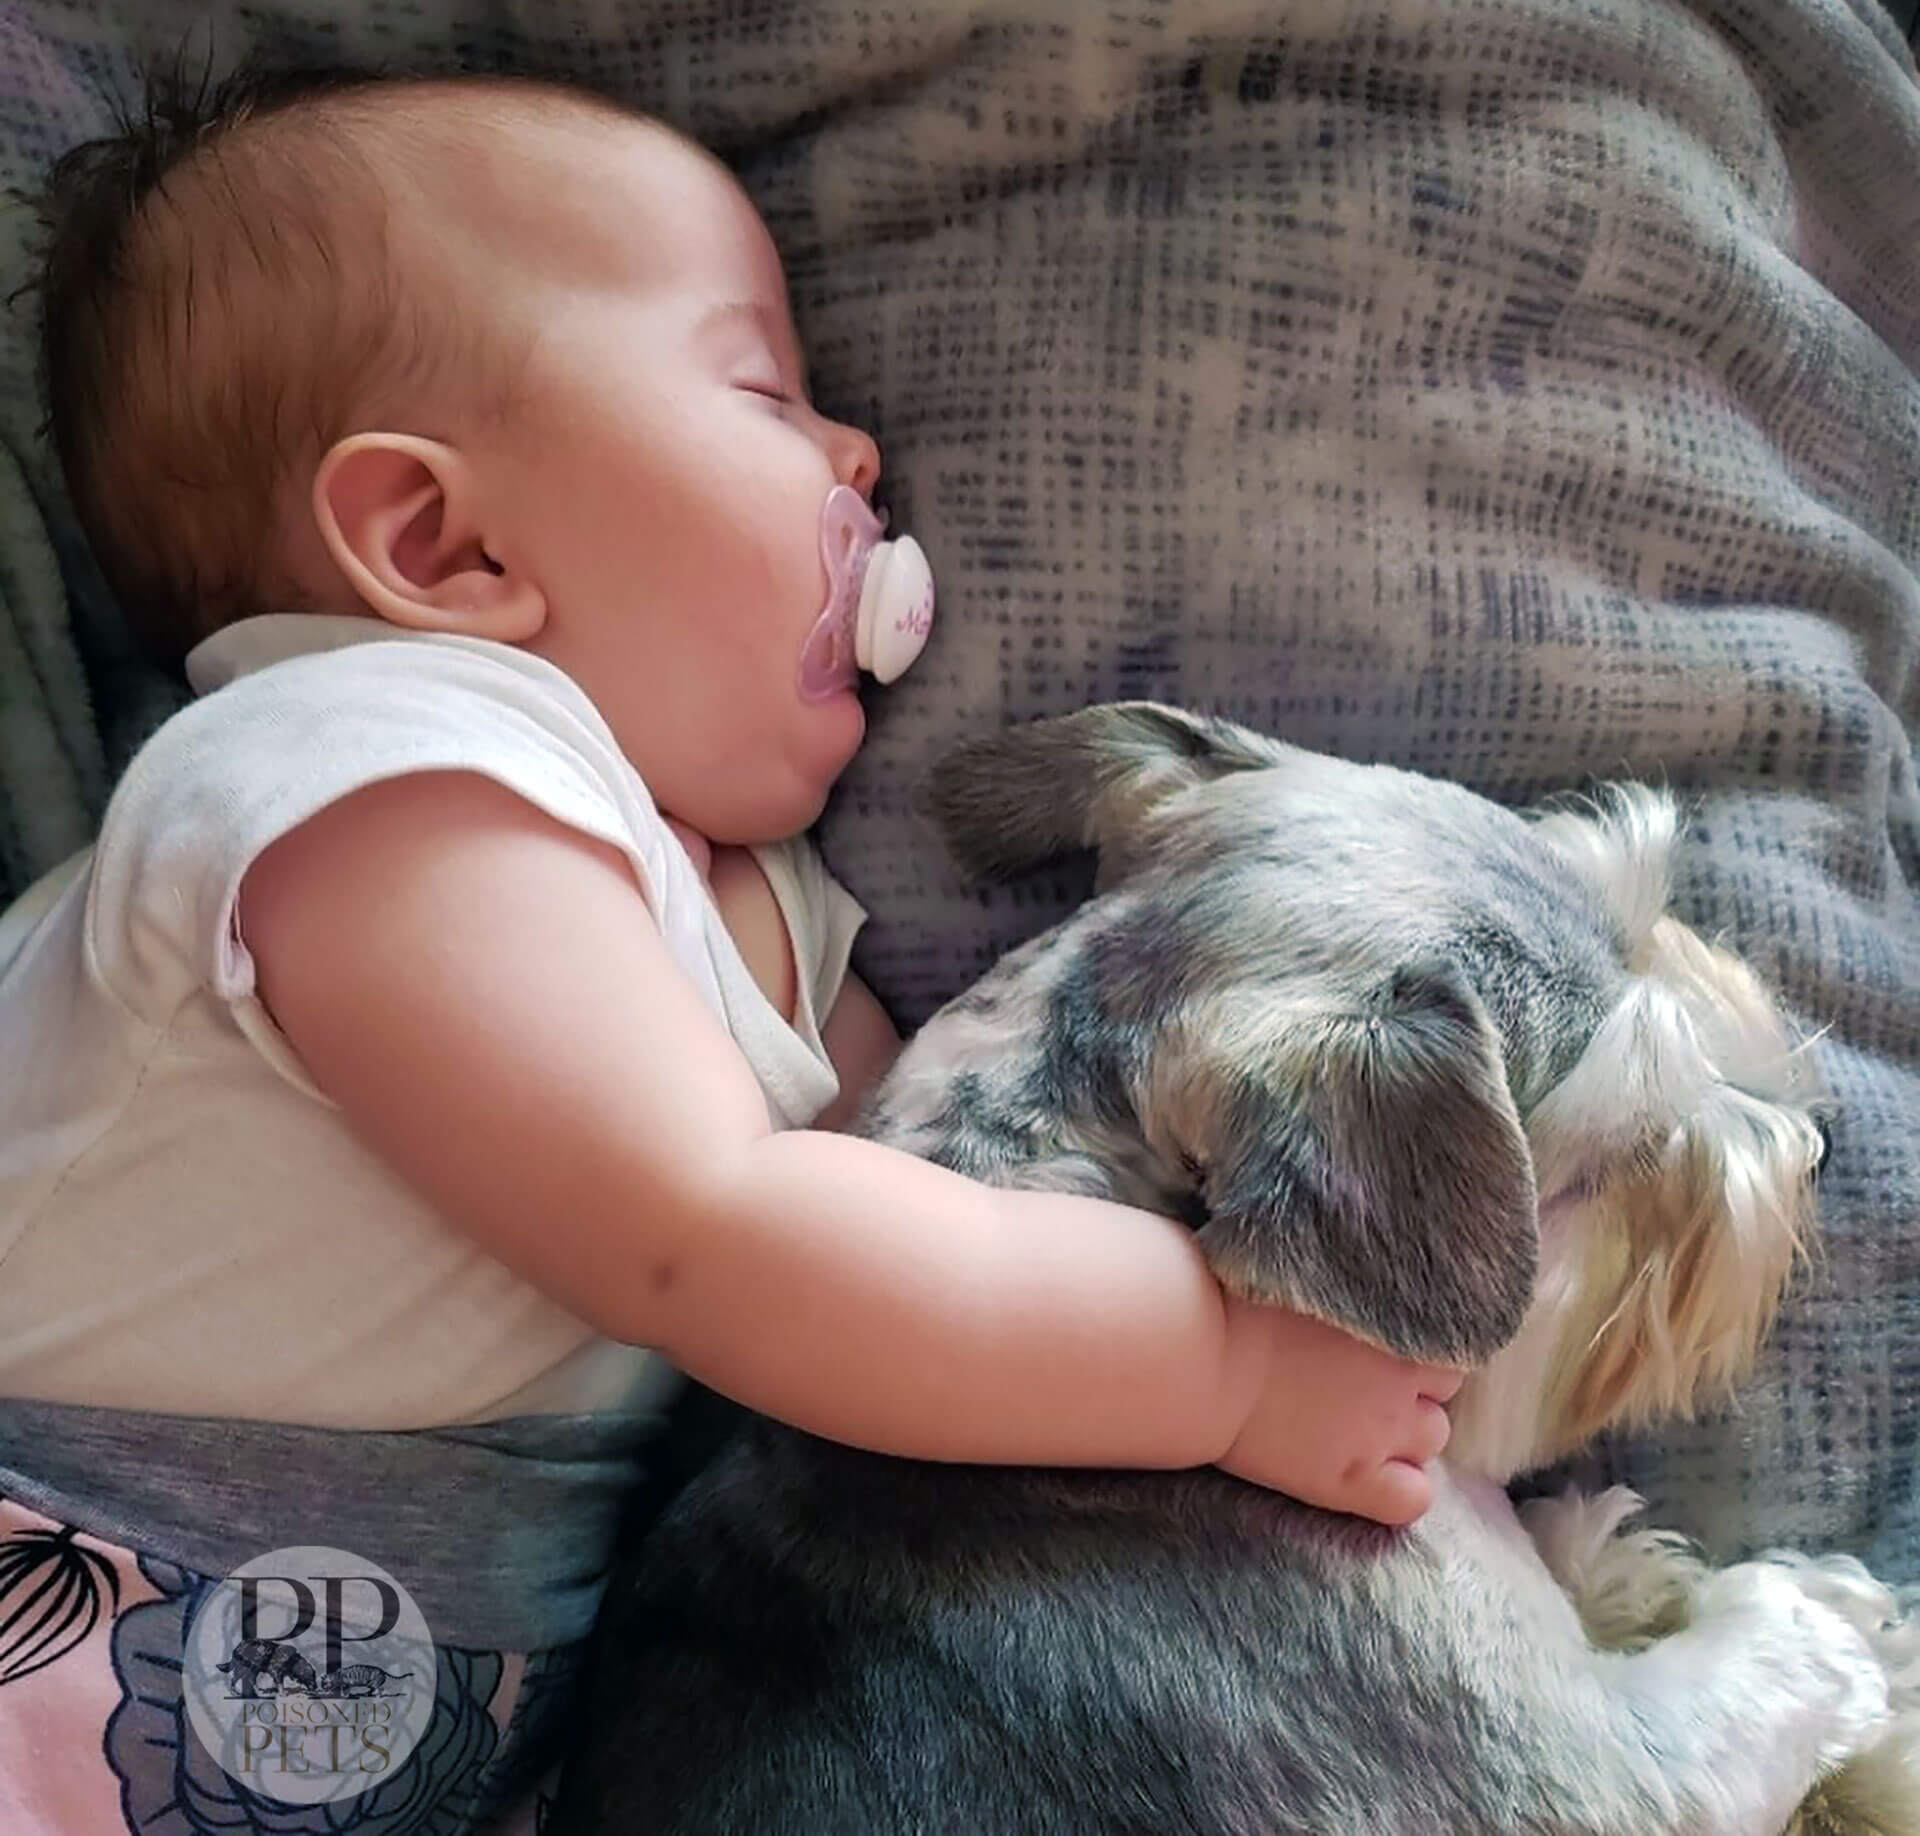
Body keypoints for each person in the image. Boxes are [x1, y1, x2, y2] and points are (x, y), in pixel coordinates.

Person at [0, 65, 1462, 1832]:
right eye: (764, 389)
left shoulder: (757, 911)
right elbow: (720, 1239)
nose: (858, 455)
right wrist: (1217, 1366)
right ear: (441, 544)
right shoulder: (371, 769)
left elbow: (933, 1188)